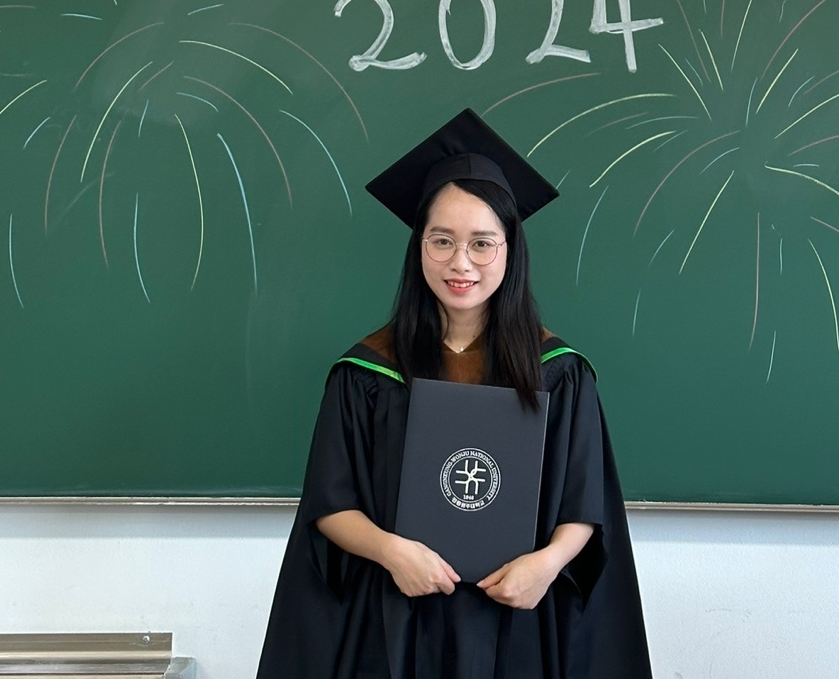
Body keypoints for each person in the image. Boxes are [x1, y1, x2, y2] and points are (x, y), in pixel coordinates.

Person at [256, 109, 653, 679]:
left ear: (510, 249)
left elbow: (585, 503)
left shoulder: (558, 372)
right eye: (441, 241)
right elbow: (330, 501)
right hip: (396, 615)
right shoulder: (368, 371)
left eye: (481, 243)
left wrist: (545, 565)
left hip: (519, 618)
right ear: (419, 246)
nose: (460, 262)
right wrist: (392, 552)